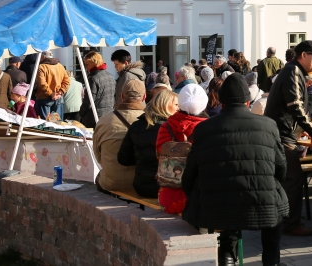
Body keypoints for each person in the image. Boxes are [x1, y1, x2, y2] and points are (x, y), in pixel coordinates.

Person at [180, 73, 288, 266]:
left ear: (221, 102)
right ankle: (271, 261)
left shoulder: (204, 128)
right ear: (248, 101)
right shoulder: (269, 125)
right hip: (262, 201)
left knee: (227, 217)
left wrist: (192, 194)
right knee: (274, 212)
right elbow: (281, 168)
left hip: (217, 202)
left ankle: (227, 256)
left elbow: (191, 172)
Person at [264, 40, 312, 236]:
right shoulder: (293, 71)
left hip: (282, 133)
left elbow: (295, 108)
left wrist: (302, 127)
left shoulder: (294, 70)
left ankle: (281, 219)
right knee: (293, 178)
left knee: (286, 178)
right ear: (303, 55)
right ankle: (290, 224)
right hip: (281, 136)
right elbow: (296, 105)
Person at [155, 84, 207, 214]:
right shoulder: (207, 129)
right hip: (198, 200)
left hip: (168, 198)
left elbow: (159, 156)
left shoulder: (165, 127)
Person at [117, 90, 177, 198]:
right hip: (167, 187)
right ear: (165, 106)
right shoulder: (173, 128)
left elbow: (123, 159)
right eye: (176, 104)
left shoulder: (136, 125)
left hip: (141, 186)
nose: (179, 108)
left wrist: (142, 159)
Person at [93, 80, 146, 193]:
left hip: (110, 183)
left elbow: (98, 157)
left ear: (122, 96)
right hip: (141, 183)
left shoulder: (104, 121)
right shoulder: (151, 121)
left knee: (98, 178)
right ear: (144, 97)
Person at [78, 51, 116, 128]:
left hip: (94, 117)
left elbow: (88, 101)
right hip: (109, 115)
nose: (85, 67)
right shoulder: (110, 76)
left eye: (87, 64)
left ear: (94, 63)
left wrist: (81, 114)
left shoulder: (93, 78)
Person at [34, 51, 69, 119]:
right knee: (56, 124)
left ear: (43, 57)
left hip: (44, 98)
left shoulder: (41, 67)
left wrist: (52, 94)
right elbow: (67, 81)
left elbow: (42, 83)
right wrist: (60, 92)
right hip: (58, 98)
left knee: (45, 124)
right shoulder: (60, 66)